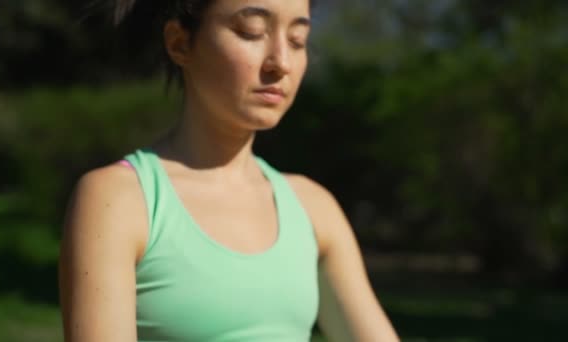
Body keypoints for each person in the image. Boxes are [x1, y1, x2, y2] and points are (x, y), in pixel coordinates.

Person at [58, 0, 400, 341]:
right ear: (179, 42)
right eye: (252, 32)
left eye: (297, 40)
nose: (281, 62)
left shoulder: (313, 207)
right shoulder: (118, 200)